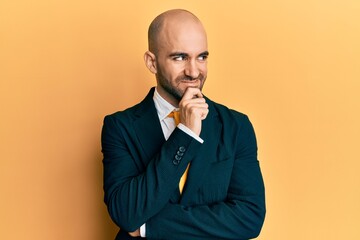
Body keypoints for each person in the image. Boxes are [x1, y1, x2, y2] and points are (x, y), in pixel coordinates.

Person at [101, 9, 266, 240]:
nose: (194, 71)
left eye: (202, 57)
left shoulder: (236, 126)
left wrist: (149, 227)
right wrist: (186, 134)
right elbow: (127, 213)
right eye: (180, 57)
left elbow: (249, 217)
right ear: (152, 62)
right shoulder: (120, 127)